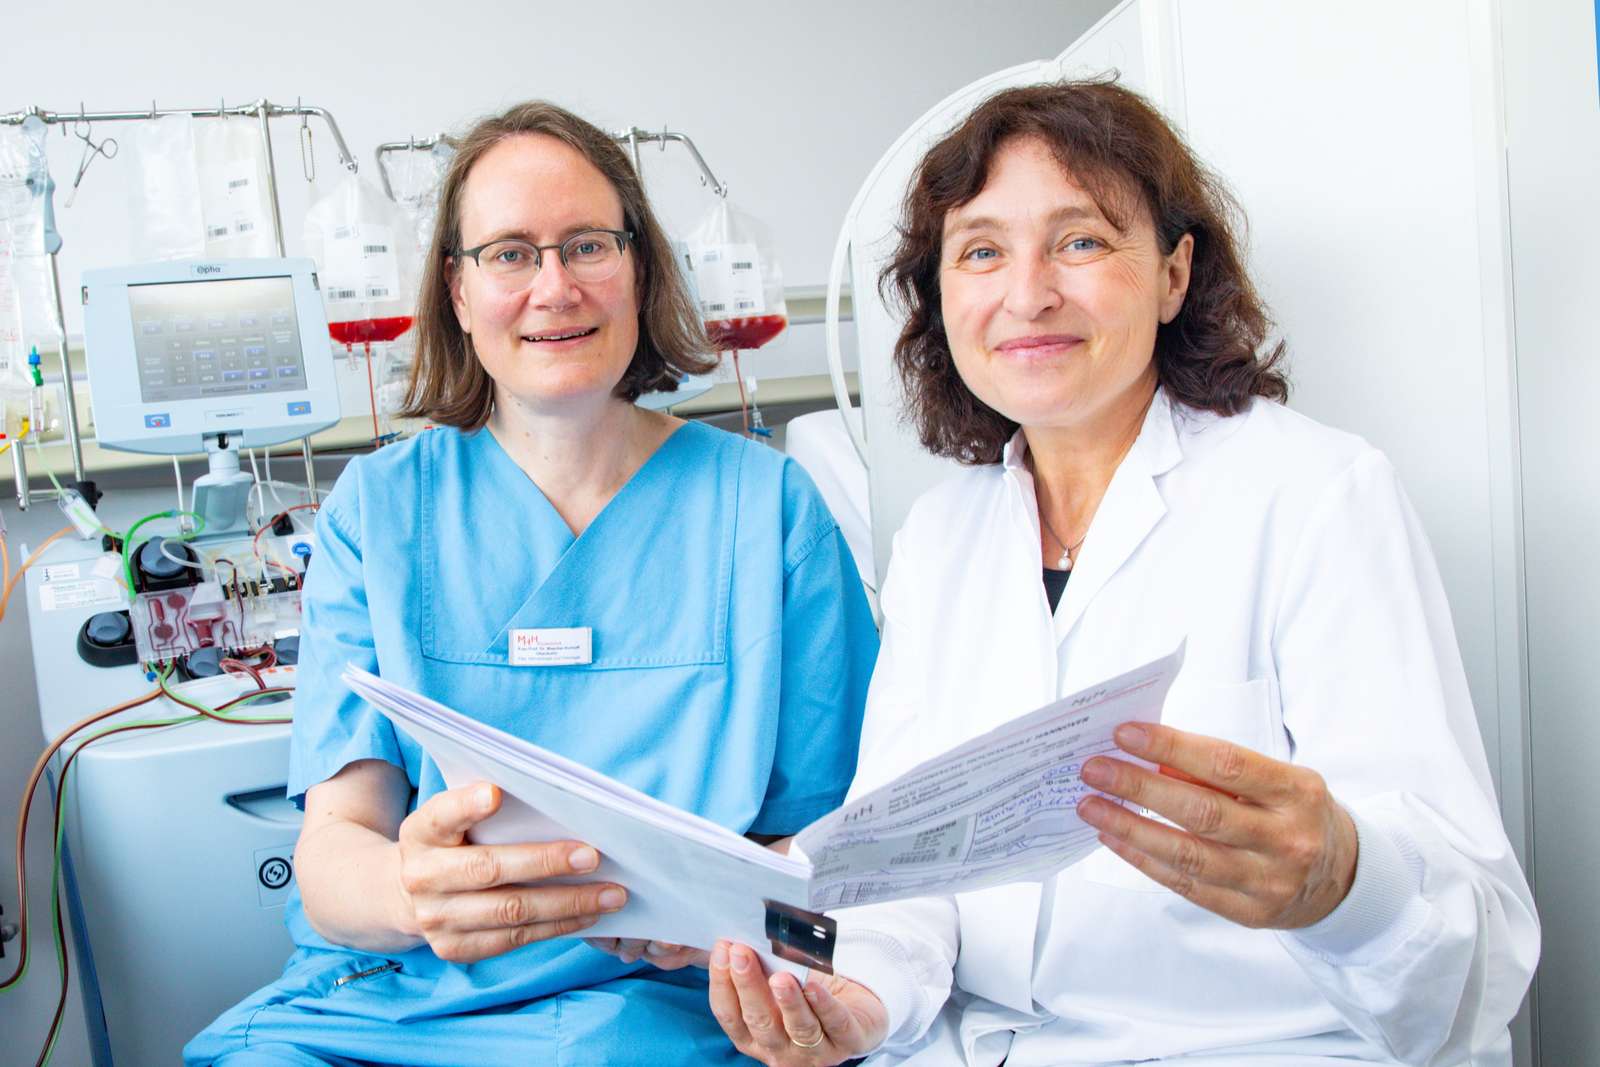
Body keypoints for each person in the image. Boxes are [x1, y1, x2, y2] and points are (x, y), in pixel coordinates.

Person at [703, 80, 1540, 1067]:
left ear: (1174, 275)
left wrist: (1341, 880)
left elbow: (1474, 953)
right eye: (980, 251)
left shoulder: (1316, 492)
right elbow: (910, 870)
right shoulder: (940, 534)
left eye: (1081, 241)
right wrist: (861, 999)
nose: (1027, 293)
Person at [185, 101, 877, 1067]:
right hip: (404, 1004)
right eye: (509, 253)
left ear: (640, 269)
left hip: (678, 1006)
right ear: (458, 292)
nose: (555, 287)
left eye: (588, 245)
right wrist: (409, 893)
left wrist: (727, 909)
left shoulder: (768, 511)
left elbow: (833, 845)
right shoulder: (380, 513)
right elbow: (336, 844)